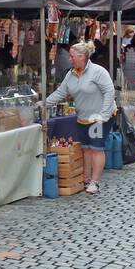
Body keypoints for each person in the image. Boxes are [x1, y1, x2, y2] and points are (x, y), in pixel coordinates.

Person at [45, 41, 116, 195]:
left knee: (96, 148)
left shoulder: (98, 71)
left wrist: (103, 116)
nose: (70, 59)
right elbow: (61, 92)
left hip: (99, 117)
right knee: (86, 149)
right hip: (83, 116)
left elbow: (109, 92)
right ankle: (86, 179)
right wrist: (44, 103)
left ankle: (95, 182)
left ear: (82, 57)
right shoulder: (71, 74)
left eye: (72, 56)